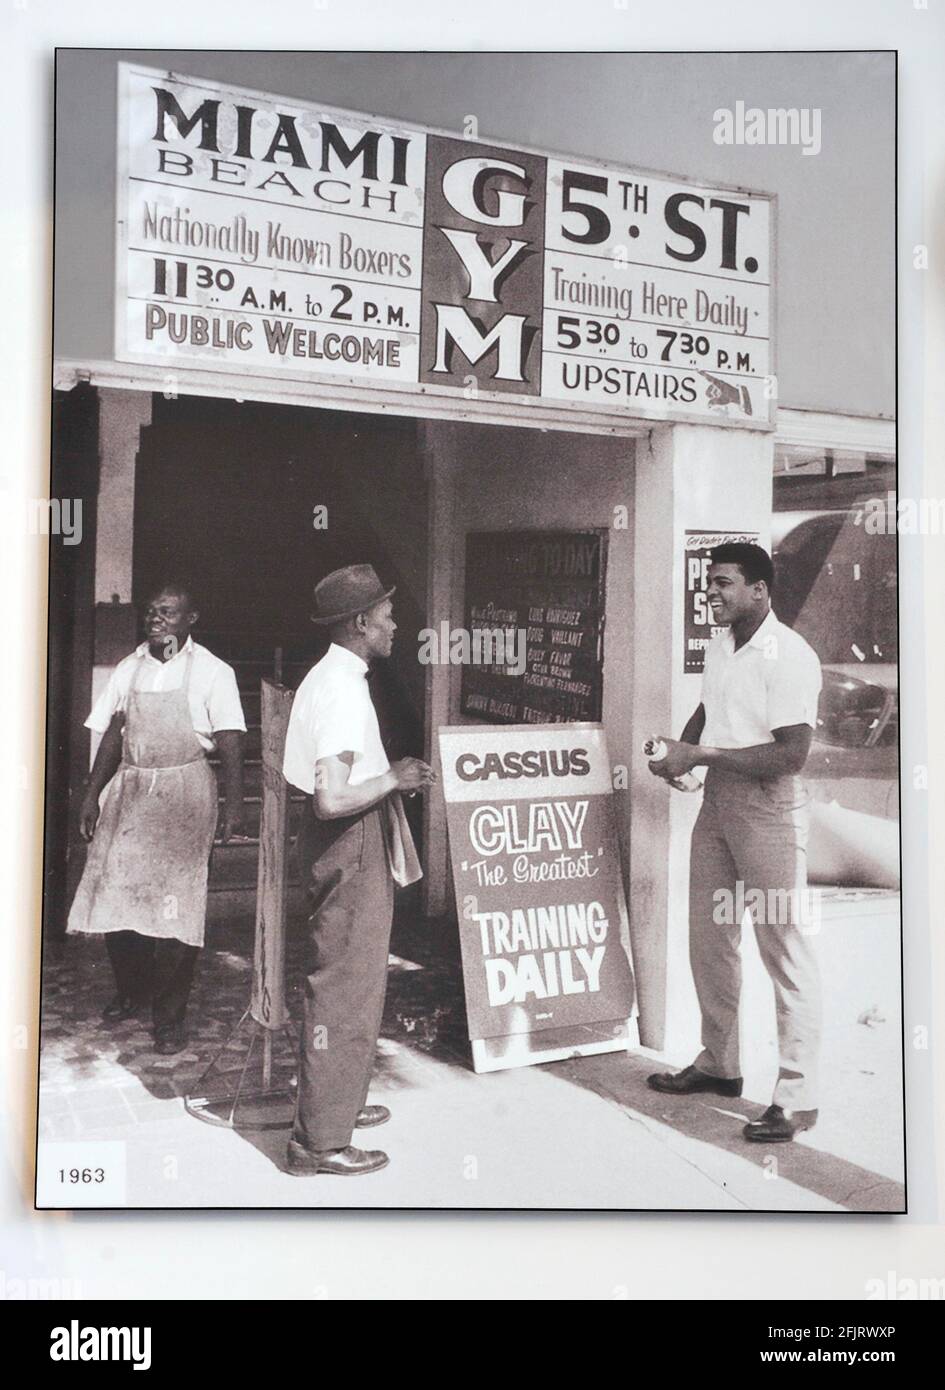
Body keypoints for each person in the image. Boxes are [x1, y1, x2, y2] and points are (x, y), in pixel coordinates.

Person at [646, 542, 823, 1143]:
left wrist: (703, 754)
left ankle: (798, 1097)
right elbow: (709, 710)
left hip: (770, 808)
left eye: (722, 583)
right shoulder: (721, 646)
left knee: (785, 950)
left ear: (759, 590)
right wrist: (679, 751)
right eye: (709, 583)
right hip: (719, 803)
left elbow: (792, 753)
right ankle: (720, 1063)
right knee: (709, 936)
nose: (712, 593)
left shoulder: (790, 655)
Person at [282, 565, 434, 1177]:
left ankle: (334, 1105)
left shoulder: (331, 677)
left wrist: (393, 773)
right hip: (347, 840)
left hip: (339, 842)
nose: (395, 625)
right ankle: (319, 1143)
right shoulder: (342, 689)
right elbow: (333, 798)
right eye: (387, 615)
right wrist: (395, 776)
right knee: (347, 987)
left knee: (344, 980)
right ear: (360, 623)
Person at [68, 583, 246, 1055]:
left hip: (186, 795)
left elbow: (230, 741)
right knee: (116, 901)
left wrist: (233, 803)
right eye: (151, 612)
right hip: (131, 792)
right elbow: (112, 735)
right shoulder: (129, 668)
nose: (156, 619)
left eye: (167, 612)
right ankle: (132, 991)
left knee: (176, 911)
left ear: (191, 619)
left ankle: (170, 1019)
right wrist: (92, 794)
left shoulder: (213, 671)